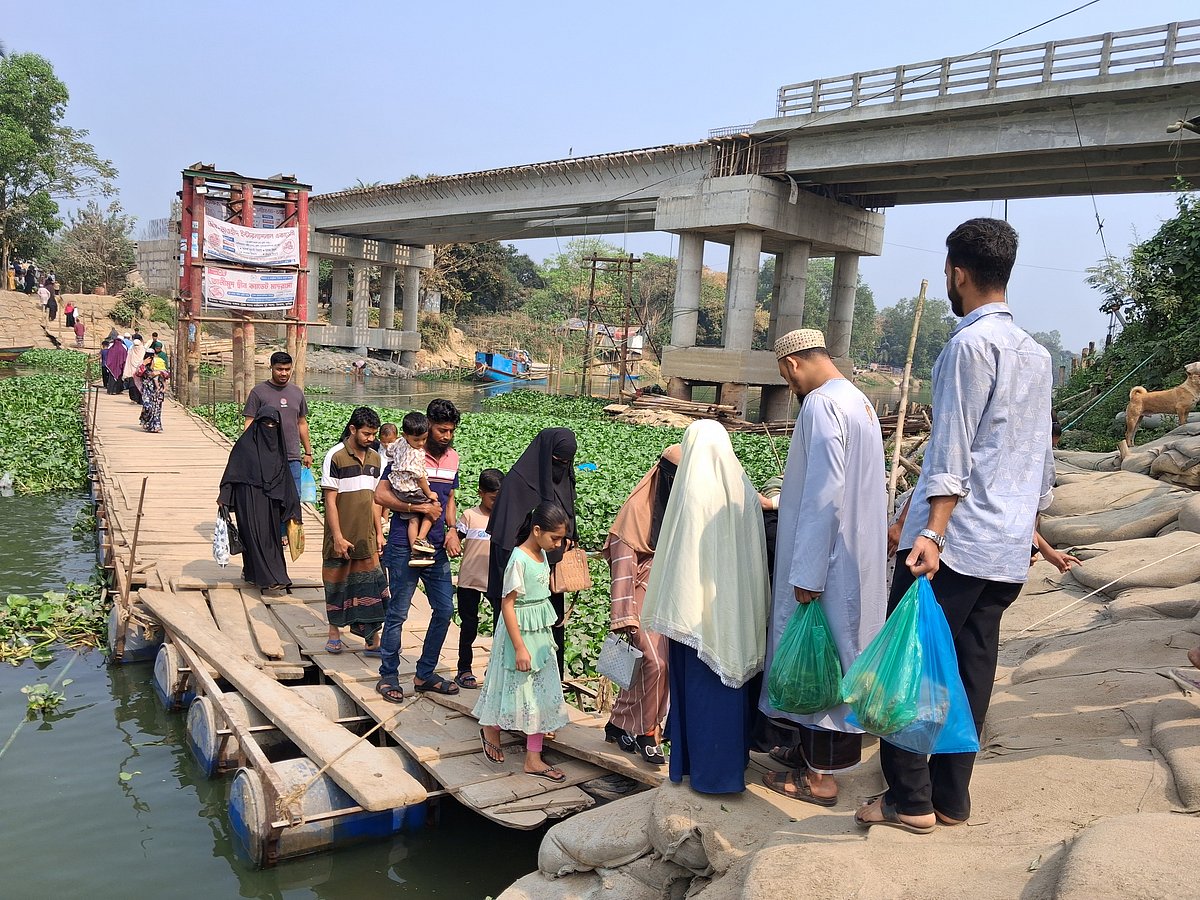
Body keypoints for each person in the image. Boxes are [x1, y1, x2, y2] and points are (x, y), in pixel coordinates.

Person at [857, 218, 1055, 835]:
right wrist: (1031, 526)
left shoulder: (968, 346)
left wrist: (932, 532)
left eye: (948, 271)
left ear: (957, 272)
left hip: (958, 543)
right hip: (1004, 549)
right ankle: (952, 798)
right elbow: (1039, 457)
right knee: (972, 672)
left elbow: (951, 451)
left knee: (912, 667)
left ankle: (908, 800)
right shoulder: (1037, 353)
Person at [758, 329, 888, 807]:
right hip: (859, 557)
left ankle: (819, 780)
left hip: (828, 562)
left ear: (792, 365)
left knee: (820, 662)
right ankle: (819, 764)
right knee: (845, 658)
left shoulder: (819, 404)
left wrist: (807, 573)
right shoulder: (860, 401)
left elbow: (823, 494)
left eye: (784, 376)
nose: (789, 386)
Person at [642, 419, 772, 794]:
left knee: (700, 695)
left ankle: (701, 772)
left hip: (696, 615)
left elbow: (678, 558)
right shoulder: (742, 487)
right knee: (730, 694)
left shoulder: (692, 490)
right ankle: (729, 769)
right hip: (733, 612)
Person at [473, 502, 572, 782]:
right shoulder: (519, 558)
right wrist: (519, 647)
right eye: (555, 538)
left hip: (539, 627)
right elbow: (507, 605)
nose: (558, 543)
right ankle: (491, 727)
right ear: (537, 530)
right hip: (519, 629)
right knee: (511, 683)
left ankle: (533, 757)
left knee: (542, 688)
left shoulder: (541, 553)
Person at [374, 398, 463, 701]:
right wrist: (416, 505)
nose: (446, 436)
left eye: (450, 431)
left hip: (436, 547)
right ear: (428, 426)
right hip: (402, 544)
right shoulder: (408, 452)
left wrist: (452, 530)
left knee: (445, 610)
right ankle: (388, 675)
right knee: (398, 613)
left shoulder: (453, 459)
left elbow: (449, 498)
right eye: (441, 430)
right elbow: (381, 494)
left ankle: (424, 673)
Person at [600, 445, 683, 766]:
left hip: (665, 598)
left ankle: (617, 723)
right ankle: (650, 732)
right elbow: (621, 571)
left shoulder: (675, 508)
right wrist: (625, 618)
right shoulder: (636, 511)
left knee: (644, 668)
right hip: (638, 597)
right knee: (655, 664)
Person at [487, 428, 579, 676]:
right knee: (518, 644)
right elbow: (504, 539)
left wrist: (568, 537)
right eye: (557, 461)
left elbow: (567, 516)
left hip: (550, 576)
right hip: (521, 584)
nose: (561, 467)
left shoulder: (564, 479)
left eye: (566, 462)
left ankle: (551, 683)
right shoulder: (517, 482)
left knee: (550, 634)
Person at [321, 407, 388, 656]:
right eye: (367, 434)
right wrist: (337, 536)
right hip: (340, 535)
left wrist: (379, 532)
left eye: (373, 434)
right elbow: (330, 501)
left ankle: (372, 640)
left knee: (371, 586)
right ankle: (334, 632)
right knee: (337, 584)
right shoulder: (335, 456)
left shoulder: (375, 459)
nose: (371, 439)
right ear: (352, 430)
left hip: (367, 536)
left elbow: (374, 500)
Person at [217, 407, 302, 597]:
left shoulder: (278, 451)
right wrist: (224, 497)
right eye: (266, 424)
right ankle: (271, 579)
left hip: (270, 501)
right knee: (254, 536)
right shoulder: (245, 446)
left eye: (274, 425)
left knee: (269, 538)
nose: (269, 428)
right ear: (257, 425)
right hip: (246, 499)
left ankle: (256, 574)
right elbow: (232, 473)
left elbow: (286, 480)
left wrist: (292, 508)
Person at [454, 468, 505, 690]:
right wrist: (452, 539)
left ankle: (495, 668)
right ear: (480, 493)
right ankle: (464, 669)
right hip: (469, 580)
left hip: (496, 581)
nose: (496, 502)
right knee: (469, 626)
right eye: (493, 498)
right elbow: (455, 537)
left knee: (500, 627)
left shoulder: (506, 518)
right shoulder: (469, 516)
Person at [244, 351, 314, 498]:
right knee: (268, 497)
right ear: (271, 368)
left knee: (294, 497)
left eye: (287, 369)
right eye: (279, 369)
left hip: (292, 456)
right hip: (266, 455)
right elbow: (249, 423)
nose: (283, 373)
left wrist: (308, 452)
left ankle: (290, 521)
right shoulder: (258, 392)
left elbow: (301, 423)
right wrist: (248, 451)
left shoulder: (297, 393)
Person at [385, 412, 440, 565]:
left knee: (413, 519)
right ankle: (421, 539)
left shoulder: (400, 442)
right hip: (411, 490)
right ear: (405, 434)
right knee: (434, 508)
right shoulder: (415, 454)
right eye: (417, 440)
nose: (421, 443)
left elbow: (389, 450)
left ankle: (415, 554)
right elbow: (420, 478)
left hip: (398, 490)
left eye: (424, 438)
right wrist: (430, 493)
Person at [138, 350, 168, 433]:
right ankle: (146, 422)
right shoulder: (142, 365)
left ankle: (155, 426)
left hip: (157, 390)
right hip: (147, 390)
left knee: (156, 408)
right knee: (148, 407)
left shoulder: (159, 362)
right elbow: (138, 373)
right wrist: (144, 364)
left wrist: (159, 372)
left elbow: (166, 374)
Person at [123, 336, 145, 404]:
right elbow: (128, 362)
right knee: (132, 386)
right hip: (132, 372)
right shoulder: (130, 351)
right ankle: (134, 399)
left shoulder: (143, 351)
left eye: (137, 345)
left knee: (140, 386)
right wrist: (126, 373)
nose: (136, 347)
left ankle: (140, 399)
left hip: (141, 372)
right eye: (135, 345)